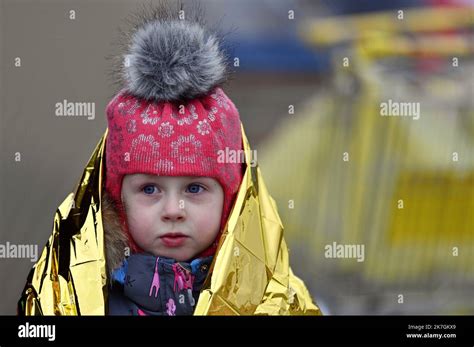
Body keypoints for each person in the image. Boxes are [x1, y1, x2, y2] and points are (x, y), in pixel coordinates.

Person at [17, 2, 321, 316]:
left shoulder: (273, 299)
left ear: (231, 201)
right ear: (116, 201)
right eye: (149, 189)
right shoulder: (79, 297)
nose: (173, 211)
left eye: (194, 189)